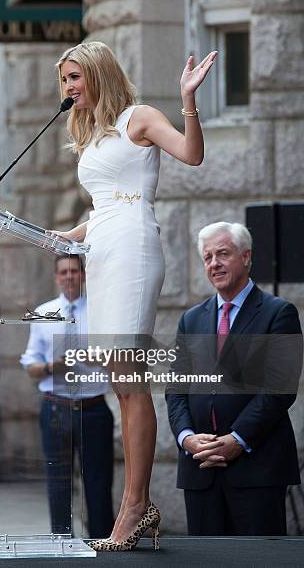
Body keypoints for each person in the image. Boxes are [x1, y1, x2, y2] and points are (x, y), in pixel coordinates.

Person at [54, 41, 217, 550]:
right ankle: (138, 506)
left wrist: (187, 101)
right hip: (101, 251)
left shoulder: (139, 117)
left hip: (133, 249)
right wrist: (61, 238)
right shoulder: (91, 133)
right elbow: (103, 209)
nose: (68, 88)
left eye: (75, 78)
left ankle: (134, 507)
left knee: (131, 379)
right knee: (120, 384)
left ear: (98, 73)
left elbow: (192, 155)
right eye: (64, 81)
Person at [167, 222, 302, 536]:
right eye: (208, 257)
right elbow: (176, 389)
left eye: (223, 254)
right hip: (200, 467)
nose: (214, 263)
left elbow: (279, 390)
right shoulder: (191, 319)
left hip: (256, 469)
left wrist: (237, 440)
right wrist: (187, 438)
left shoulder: (278, 313)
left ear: (246, 256)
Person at [20, 254, 114, 538]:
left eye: (74, 271)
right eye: (64, 272)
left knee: (98, 484)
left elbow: (120, 355)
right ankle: (60, 543)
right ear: (56, 277)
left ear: (83, 276)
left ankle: (103, 544)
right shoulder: (42, 312)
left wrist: (98, 356)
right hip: (56, 409)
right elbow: (29, 365)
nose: (69, 276)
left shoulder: (101, 311)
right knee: (57, 482)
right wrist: (52, 366)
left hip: (94, 409)